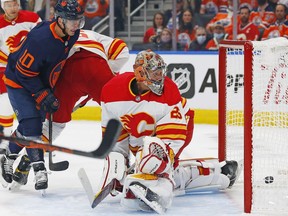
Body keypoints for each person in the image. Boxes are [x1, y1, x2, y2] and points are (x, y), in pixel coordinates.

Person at [97, 50, 240, 213]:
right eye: (155, 73)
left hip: (180, 127)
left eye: (161, 72)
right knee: (142, 162)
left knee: (155, 162)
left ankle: (165, 191)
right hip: (142, 136)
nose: (160, 77)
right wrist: (118, 165)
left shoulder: (169, 90)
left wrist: (162, 162)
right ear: (140, 73)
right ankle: (219, 173)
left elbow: (173, 136)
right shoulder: (111, 91)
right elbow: (115, 134)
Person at [9, 29, 129, 188]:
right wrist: (108, 73)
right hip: (95, 66)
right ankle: (120, 166)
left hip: (65, 74)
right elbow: (121, 50)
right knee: (118, 114)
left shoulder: (55, 35)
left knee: (55, 124)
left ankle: (27, 160)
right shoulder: (94, 35)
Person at [0, 0, 84, 191]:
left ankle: (9, 155)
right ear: (59, 20)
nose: (76, 25)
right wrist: (41, 92)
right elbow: (23, 73)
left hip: (38, 79)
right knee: (32, 123)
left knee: (31, 124)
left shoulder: (73, 32)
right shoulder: (40, 39)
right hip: (18, 81)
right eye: (72, 20)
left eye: (78, 20)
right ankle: (39, 168)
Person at [0, 0, 41, 154]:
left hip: (31, 67)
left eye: (15, 4)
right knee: (5, 103)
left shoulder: (32, 18)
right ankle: (6, 139)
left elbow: (42, 38)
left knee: (35, 106)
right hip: (5, 68)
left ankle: (38, 138)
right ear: (3, 6)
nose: (13, 8)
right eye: (9, 5)